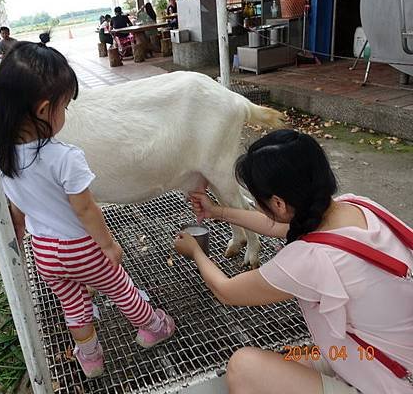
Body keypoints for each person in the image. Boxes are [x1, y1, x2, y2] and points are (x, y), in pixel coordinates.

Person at [174, 129, 413, 394]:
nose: (257, 206)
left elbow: (226, 291)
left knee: (244, 367)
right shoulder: (356, 205)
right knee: (293, 357)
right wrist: (217, 211)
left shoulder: (311, 259)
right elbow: (278, 226)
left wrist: (196, 251)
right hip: (380, 353)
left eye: (257, 200)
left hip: (392, 382)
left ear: (278, 203)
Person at [0, 35, 176, 378]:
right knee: (120, 287)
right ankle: (153, 326)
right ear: (44, 110)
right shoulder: (65, 158)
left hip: (44, 252)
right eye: (64, 106)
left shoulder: (2, 159)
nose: (65, 113)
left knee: (73, 303)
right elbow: (86, 209)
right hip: (81, 248)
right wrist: (108, 245)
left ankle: (90, 358)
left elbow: (18, 209)